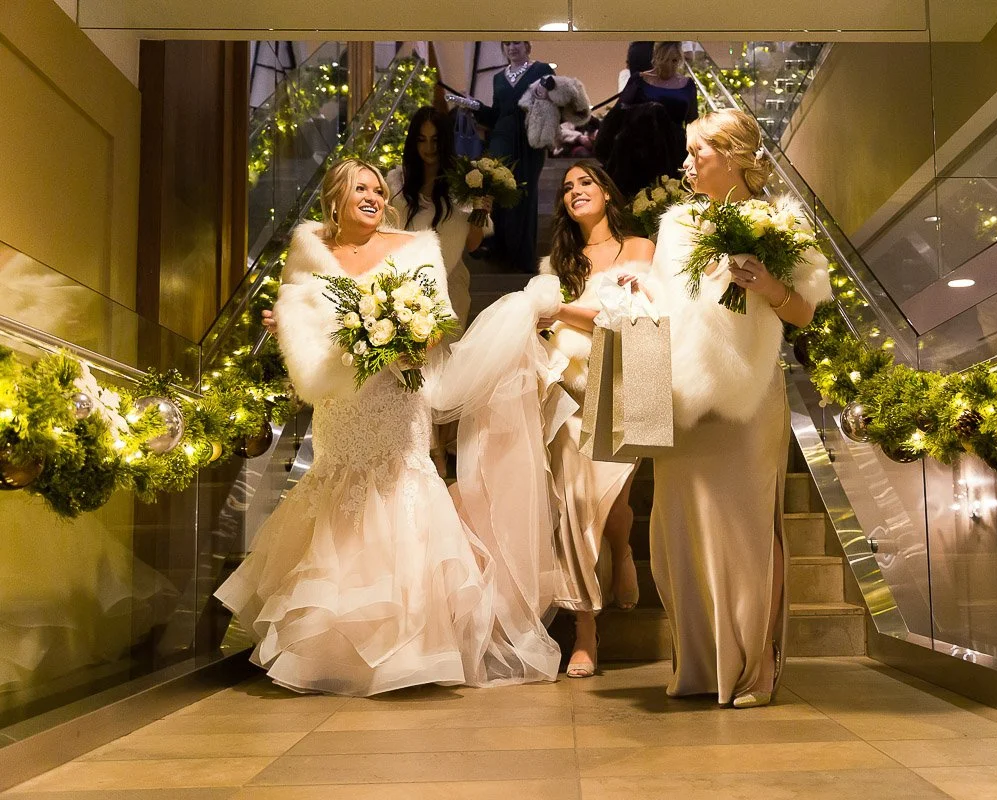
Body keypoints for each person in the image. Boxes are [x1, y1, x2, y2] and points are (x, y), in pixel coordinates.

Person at [216, 157, 559, 695]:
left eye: (378, 189)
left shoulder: (414, 248)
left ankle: (411, 650)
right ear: (336, 198)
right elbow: (302, 323)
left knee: (400, 489)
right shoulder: (309, 251)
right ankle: (332, 653)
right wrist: (286, 324)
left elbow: (436, 320)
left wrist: (404, 339)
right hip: (340, 402)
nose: (374, 197)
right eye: (361, 188)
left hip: (397, 394)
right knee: (339, 495)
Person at [645, 109, 831, 708]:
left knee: (748, 528)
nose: (687, 162)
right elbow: (662, 303)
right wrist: (634, 294)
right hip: (681, 398)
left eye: (698, 151)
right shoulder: (675, 225)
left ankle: (756, 666)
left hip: (749, 398)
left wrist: (768, 285)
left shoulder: (781, 221)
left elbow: (805, 312)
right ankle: (700, 664)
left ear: (733, 155)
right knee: (679, 527)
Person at [537, 162, 655, 677]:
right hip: (568, 395)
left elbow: (631, 318)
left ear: (607, 191)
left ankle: (622, 549)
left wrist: (560, 312)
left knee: (613, 502)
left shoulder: (641, 249)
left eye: (585, 182)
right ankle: (585, 631)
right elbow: (544, 324)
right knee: (575, 504)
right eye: (567, 188)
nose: (575, 192)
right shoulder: (556, 264)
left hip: (627, 386)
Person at [386, 106, 491, 476]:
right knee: (418, 370)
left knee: (446, 372)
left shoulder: (462, 183)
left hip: (451, 287)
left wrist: (481, 209)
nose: (428, 148)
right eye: (421, 140)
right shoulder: (398, 183)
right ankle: (428, 453)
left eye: (434, 140)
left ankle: (442, 449)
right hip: (408, 291)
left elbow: (474, 244)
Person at [454, 41, 555, 274]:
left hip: (529, 142)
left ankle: (522, 257)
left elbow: (553, 104)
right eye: (507, 43)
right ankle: (499, 253)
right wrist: (474, 106)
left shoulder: (542, 70)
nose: (511, 47)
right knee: (498, 193)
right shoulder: (498, 78)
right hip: (502, 139)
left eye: (516, 42)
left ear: (527, 46)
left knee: (524, 195)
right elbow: (496, 115)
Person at [597, 42, 698, 200]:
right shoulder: (639, 80)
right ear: (656, 58)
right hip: (639, 150)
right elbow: (619, 112)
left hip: (673, 150)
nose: (670, 66)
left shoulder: (687, 85)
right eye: (665, 60)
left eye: (674, 61)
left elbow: (692, 120)